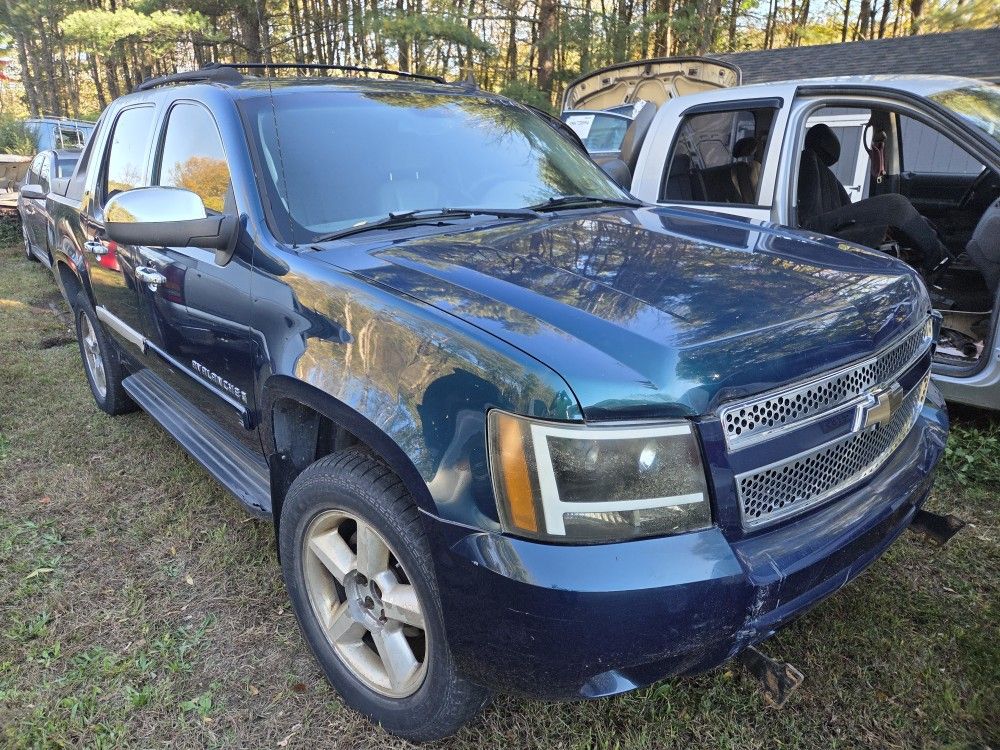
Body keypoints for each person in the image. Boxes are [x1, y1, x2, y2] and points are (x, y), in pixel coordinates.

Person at [797, 123, 949, 272]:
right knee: (896, 205)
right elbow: (811, 223)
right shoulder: (808, 164)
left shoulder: (825, 174)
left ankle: (939, 255)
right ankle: (940, 262)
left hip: (834, 224)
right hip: (818, 232)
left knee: (907, 215)